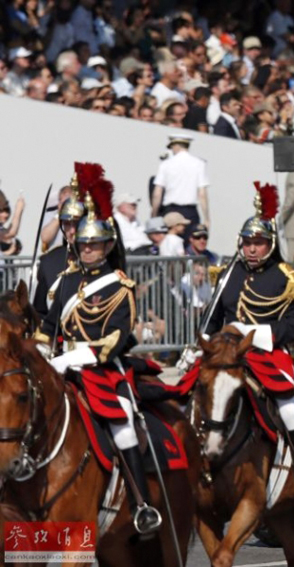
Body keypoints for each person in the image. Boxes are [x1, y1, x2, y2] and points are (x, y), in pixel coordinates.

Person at [35, 165, 162, 536]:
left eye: (95, 244)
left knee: (122, 422)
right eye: (84, 243)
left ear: (107, 246)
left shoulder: (120, 286)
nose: (87, 248)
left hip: (102, 370)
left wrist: (70, 357)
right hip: (62, 368)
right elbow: (48, 326)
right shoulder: (63, 281)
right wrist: (42, 355)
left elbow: (116, 340)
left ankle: (141, 504)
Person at [205, 182, 294, 508]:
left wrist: (259, 334)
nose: (252, 249)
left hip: (267, 355)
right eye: (247, 242)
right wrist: (202, 344)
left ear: (270, 245)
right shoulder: (228, 274)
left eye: (258, 243)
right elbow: (211, 319)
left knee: (289, 406)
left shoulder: (286, 277)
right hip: (228, 356)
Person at [33, 175, 86, 318]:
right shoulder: (49, 262)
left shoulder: (100, 260)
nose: (72, 230)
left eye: (76, 223)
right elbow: (40, 312)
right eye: (67, 224)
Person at [151, 134, 210, 237]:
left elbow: (157, 193)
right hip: (190, 212)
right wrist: (207, 218)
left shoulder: (166, 164)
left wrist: (154, 214)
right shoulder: (199, 164)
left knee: (170, 245)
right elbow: (202, 194)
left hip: (170, 211)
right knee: (190, 245)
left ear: (175, 146)